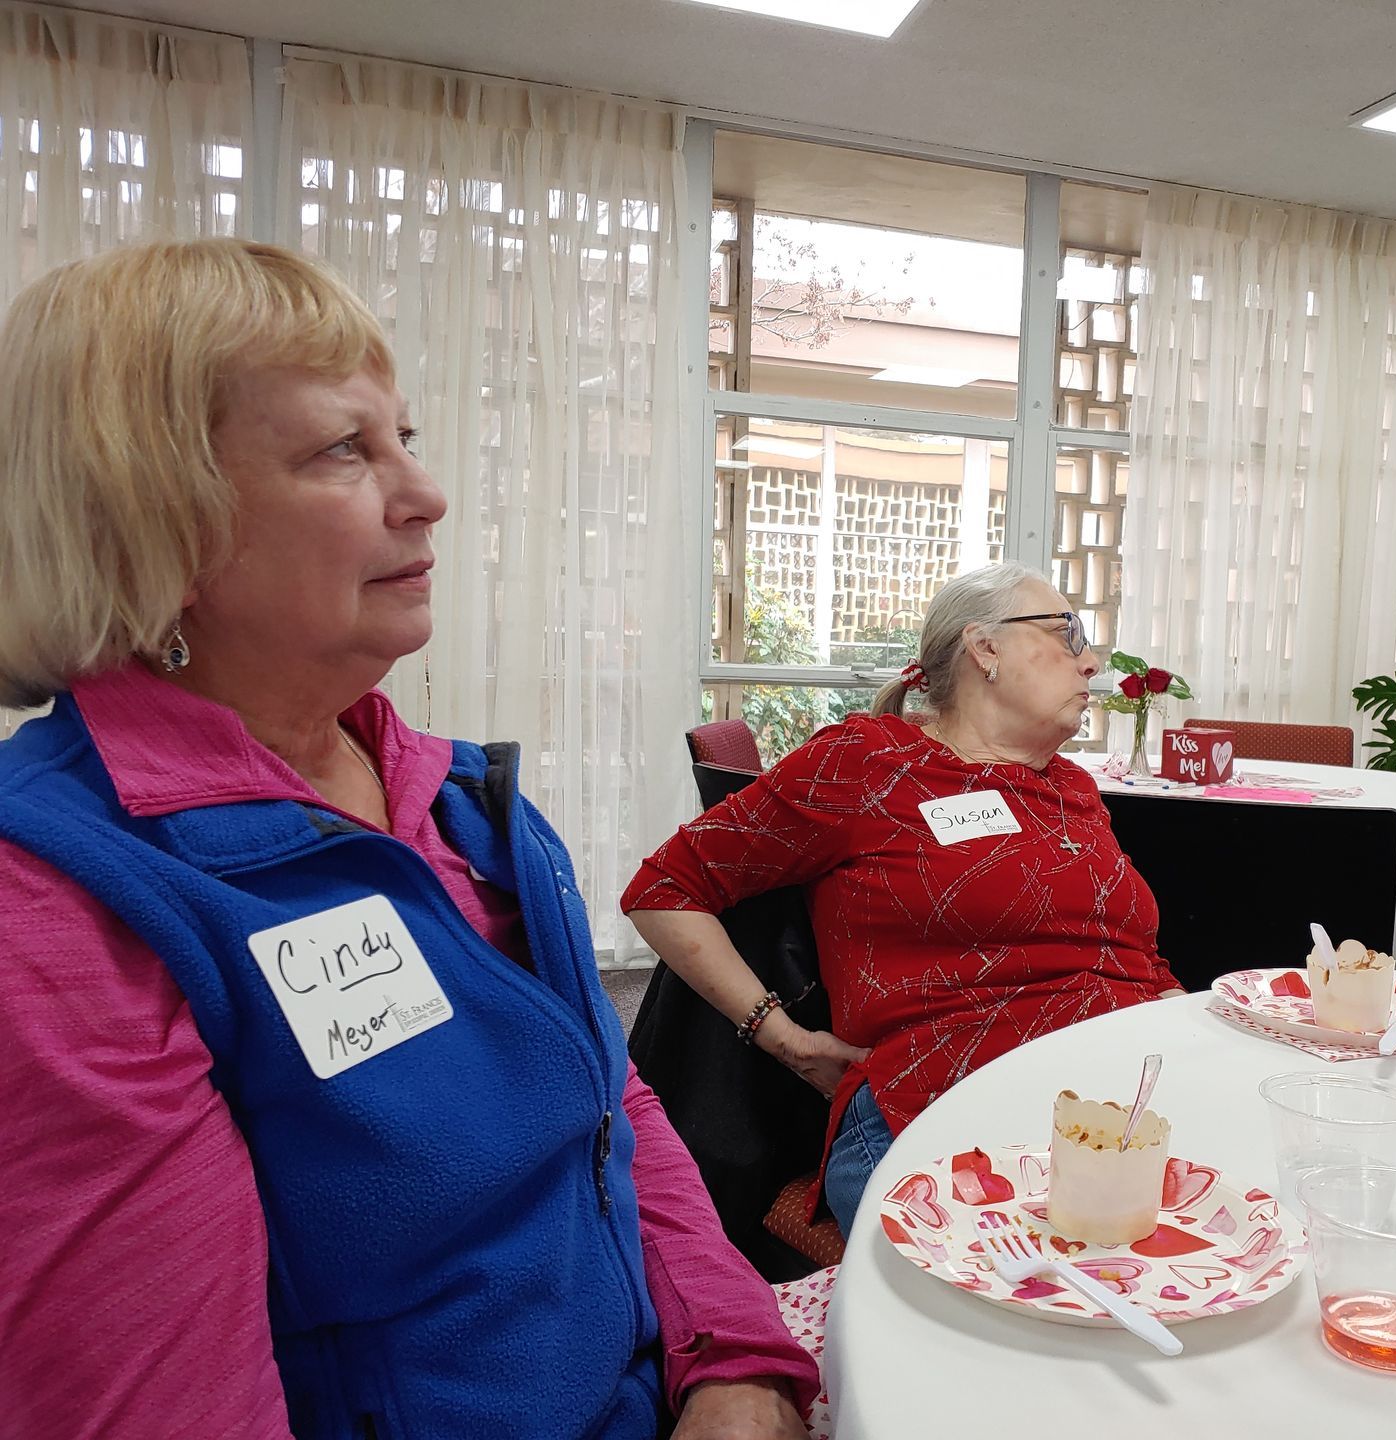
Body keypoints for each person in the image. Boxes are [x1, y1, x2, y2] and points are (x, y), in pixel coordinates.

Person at [0, 241, 813, 1439]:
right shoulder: (62, 904)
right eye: (343, 448)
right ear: (150, 521)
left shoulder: (459, 802)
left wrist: (732, 1359)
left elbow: (610, 1108)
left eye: (406, 439)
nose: (425, 495)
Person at [625, 564, 1183, 1235]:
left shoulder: (1071, 788)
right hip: (949, 1112)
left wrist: (1196, 1040)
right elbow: (662, 890)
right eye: (1068, 634)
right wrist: (784, 1039)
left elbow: (1135, 960)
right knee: (1071, 1302)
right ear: (986, 649)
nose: (1091, 661)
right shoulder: (869, 762)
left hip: (1116, 1109)